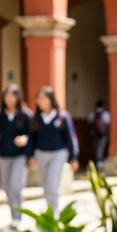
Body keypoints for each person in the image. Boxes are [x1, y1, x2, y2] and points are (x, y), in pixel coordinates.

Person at [0, 84, 33, 231]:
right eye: (7, 96)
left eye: (12, 96)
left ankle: (17, 217)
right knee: (7, 187)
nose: (9, 99)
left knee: (15, 185)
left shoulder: (25, 115)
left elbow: (32, 134)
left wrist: (26, 140)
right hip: (3, 155)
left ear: (18, 97)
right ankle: (13, 214)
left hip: (19, 156)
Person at [30, 87, 78, 215]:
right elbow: (32, 138)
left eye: (43, 98)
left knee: (52, 183)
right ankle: (49, 209)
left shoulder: (62, 116)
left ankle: (55, 213)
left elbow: (70, 138)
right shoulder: (36, 118)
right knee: (45, 185)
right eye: (38, 99)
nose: (41, 101)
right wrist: (31, 155)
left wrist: (74, 157)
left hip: (58, 154)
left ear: (51, 100)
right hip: (41, 153)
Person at [86, 100, 111, 170]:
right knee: (101, 149)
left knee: (96, 149)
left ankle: (97, 163)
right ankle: (99, 164)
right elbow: (107, 123)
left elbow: (89, 123)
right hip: (102, 134)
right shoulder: (105, 113)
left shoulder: (92, 113)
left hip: (94, 134)